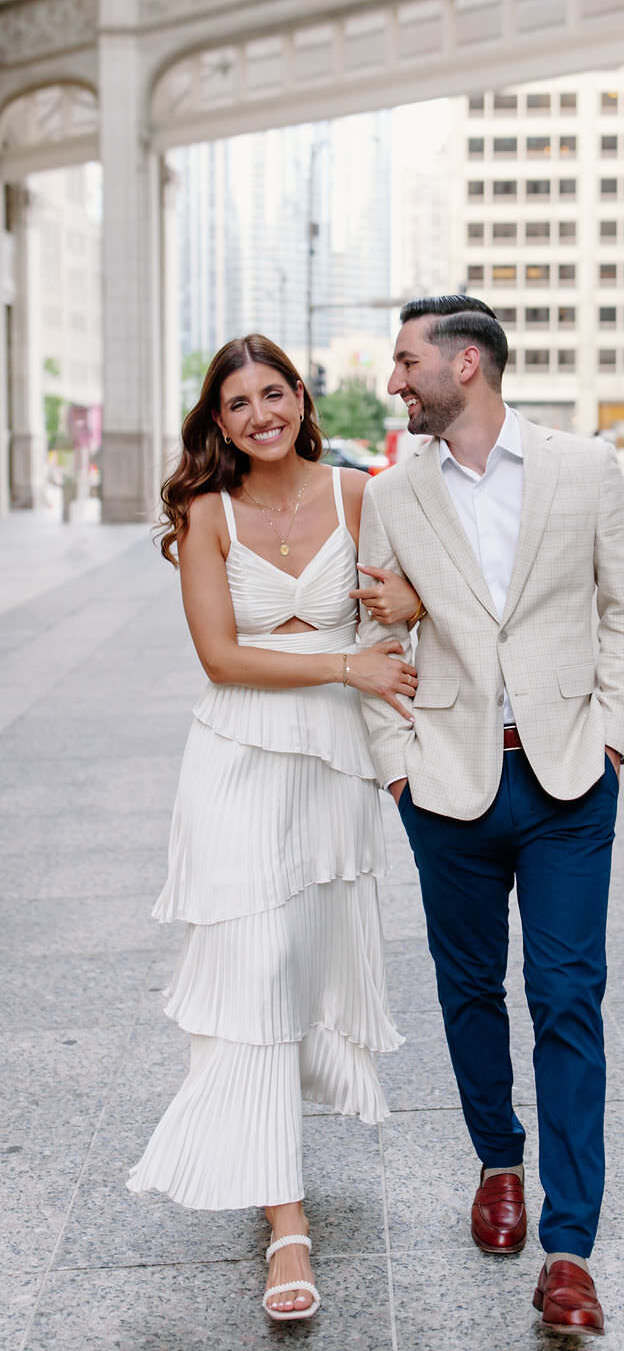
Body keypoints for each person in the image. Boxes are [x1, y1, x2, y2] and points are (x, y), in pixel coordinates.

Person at [357, 295, 624, 1338]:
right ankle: (498, 1163)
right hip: (446, 784)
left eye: (405, 362)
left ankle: (570, 1248)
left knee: (568, 997)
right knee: (469, 990)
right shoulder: (392, 493)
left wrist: (610, 739)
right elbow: (373, 638)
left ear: (465, 364)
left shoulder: (584, 469)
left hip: (570, 779)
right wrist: (398, 769)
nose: (395, 381)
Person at [129, 334, 422, 1323]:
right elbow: (222, 656)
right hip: (236, 766)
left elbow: (410, 603)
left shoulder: (357, 495)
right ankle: (285, 1226)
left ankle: (268, 1160)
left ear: (302, 396)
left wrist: (404, 610)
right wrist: (346, 666)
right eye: (236, 403)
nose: (260, 413)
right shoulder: (206, 513)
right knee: (254, 975)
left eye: (274, 392)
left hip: (333, 771)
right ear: (217, 422)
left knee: (297, 971)